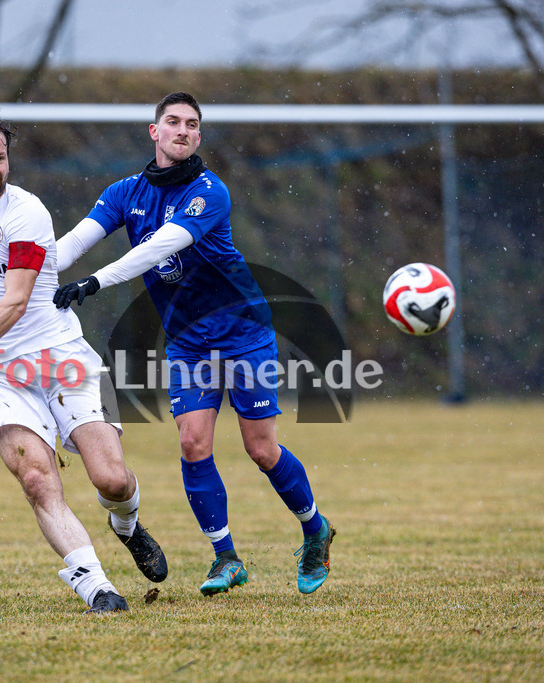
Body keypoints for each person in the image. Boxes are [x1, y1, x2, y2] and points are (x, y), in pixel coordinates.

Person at [53, 92, 335, 596]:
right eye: (173, 121)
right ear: (154, 131)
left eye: (191, 124)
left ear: (198, 136)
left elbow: (159, 247)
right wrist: (18, 276)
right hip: (188, 342)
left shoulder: (210, 192)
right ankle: (226, 558)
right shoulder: (124, 192)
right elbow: (73, 243)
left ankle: (315, 529)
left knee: (261, 449)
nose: (182, 130)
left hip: (243, 334)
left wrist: (94, 283)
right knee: (192, 443)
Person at [0, 108, 167, 615]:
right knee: (36, 478)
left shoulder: (27, 214)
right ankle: (97, 589)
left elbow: (15, 301)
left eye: (0, 158)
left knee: (111, 479)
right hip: (2, 373)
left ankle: (126, 525)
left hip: (62, 358)